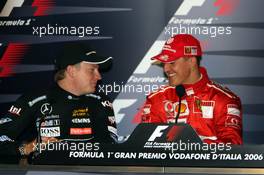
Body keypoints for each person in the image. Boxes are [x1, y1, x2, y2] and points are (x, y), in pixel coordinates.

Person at [0, 43, 118, 158]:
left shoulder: (101, 101)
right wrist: (27, 147)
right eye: (92, 70)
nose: (99, 76)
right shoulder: (35, 100)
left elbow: (110, 147)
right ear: (71, 71)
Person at [141, 34, 242, 145]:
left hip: (208, 163)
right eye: (164, 63)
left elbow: (232, 147)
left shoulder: (224, 100)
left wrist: (192, 148)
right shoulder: (157, 99)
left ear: (191, 61)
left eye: (172, 63)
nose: (166, 69)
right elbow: (146, 145)